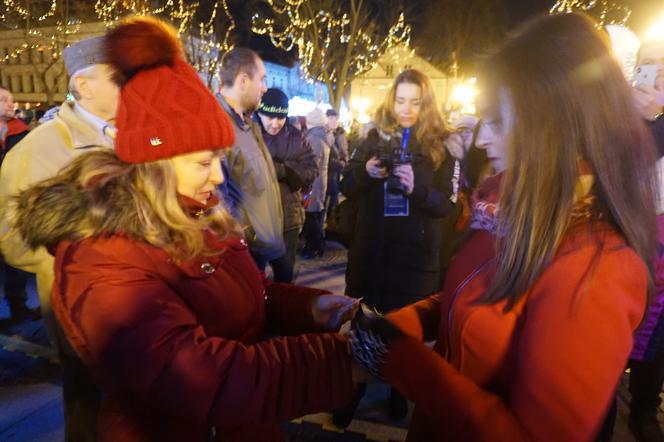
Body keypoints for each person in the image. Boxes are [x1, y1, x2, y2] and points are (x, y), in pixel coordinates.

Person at [10, 17, 361, 442]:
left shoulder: (199, 213)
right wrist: (343, 360)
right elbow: (201, 378)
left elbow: (244, 293)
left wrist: (312, 309)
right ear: (155, 166)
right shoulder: (105, 253)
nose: (217, 177)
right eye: (202, 162)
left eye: (218, 159)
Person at [348, 12, 658, 441]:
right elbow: (473, 297)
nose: (480, 140)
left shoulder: (594, 265)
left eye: (495, 121)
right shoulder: (510, 207)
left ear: (550, 127)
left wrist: (402, 361)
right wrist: (404, 325)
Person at [0, 35, 118, 442]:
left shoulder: (129, 138)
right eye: (120, 76)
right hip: (82, 311)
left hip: (134, 308)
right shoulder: (41, 147)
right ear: (84, 85)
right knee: (89, 415)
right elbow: (15, 240)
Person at [336, 68, 459, 425]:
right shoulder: (373, 136)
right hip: (371, 252)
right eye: (401, 100)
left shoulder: (442, 144)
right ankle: (352, 393)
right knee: (362, 327)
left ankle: (397, 390)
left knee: (404, 335)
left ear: (427, 104)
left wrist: (416, 190)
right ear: (392, 99)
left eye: (415, 102)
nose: (406, 109)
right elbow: (346, 184)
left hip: (414, 260)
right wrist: (366, 173)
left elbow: (448, 205)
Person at [216, 48, 291, 282]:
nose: (265, 88)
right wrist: (249, 237)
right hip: (247, 254)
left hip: (263, 247)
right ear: (243, 81)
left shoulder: (248, 126)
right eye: (262, 79)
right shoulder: (218, 127)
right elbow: (218, 199)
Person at [628, 37, 664, 442]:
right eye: (647, 63)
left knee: (657, 333)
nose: (653, 71)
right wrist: (644, 119)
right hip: (633, 232)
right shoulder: (624, 114)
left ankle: (644, 408)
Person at [255, 88, 318, 279]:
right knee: (254, 277)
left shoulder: (297, 138)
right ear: (260, 113)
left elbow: (312, 169)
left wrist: (284, 171)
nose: (275, 124)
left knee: (284, 274)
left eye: (280, 118)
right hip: (256, 219)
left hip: (288, 219)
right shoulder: (249, 134)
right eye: (270, 117)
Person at [0, 85, 36, 327]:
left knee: (15, 262)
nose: (11, 104)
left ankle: (19, 307)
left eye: (11, 100)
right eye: (4, 100)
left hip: (12, 208)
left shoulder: (22, 133)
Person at [301, 107, 331, 259]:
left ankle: (315, 245)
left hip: (313, 185)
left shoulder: (314, 138)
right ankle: (316, 245)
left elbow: (311, 164)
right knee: (315, 215)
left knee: (311, 216)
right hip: (319, 183)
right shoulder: (321, 136)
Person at [324, 108, 349, 220]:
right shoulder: (323, 133)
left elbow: (345, 151)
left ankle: (331, 221)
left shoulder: (340, 133)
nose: (334, 121)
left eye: (336, 118)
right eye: (331, 118)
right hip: (327, 172)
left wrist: (344, 160)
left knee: (334, 198)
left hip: (337, 172)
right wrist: (338, 163)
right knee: (325, 200)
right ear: (326, 119)